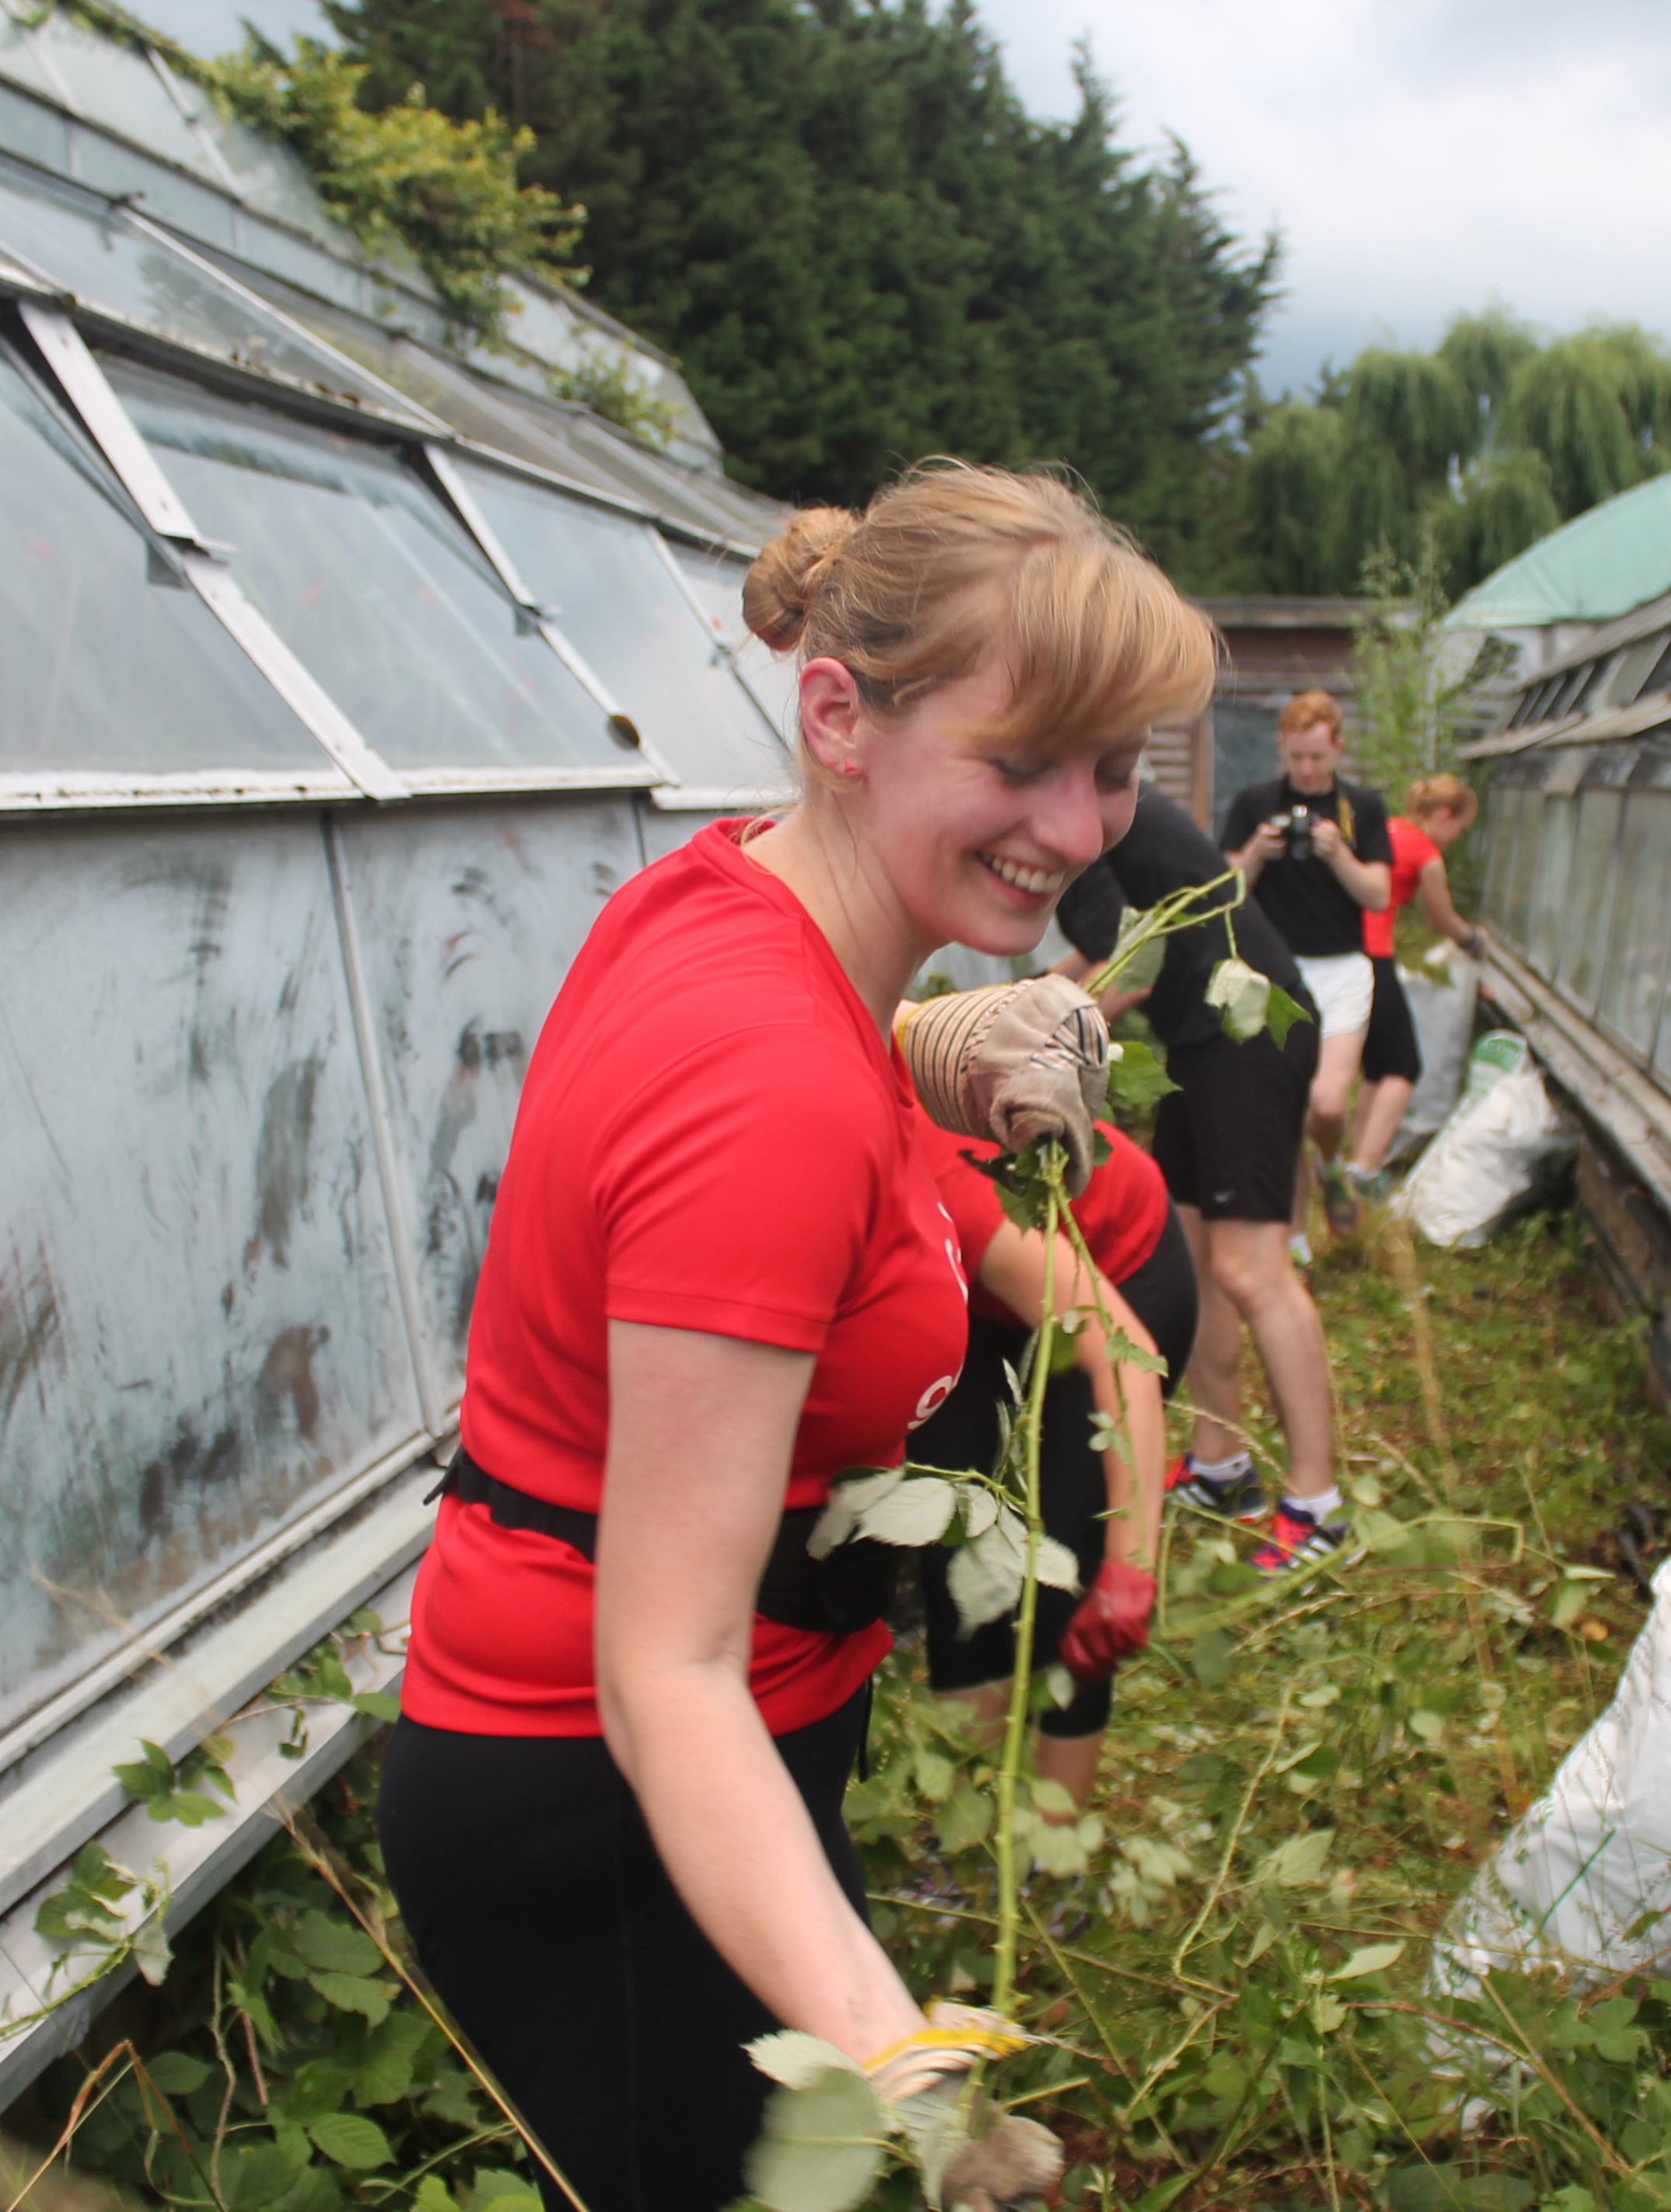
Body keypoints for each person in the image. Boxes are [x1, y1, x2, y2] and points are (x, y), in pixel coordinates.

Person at [378, 462, 1217, 2212]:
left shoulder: (737, 906)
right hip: (609, 1798)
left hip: (732, 1744)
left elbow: (853, 1122)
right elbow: (658, 1670)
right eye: (1020, 761)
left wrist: (940, 1078)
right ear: (839, 714)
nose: (1076, 825)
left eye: (1115, 769)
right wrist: (909, 2077)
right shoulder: (763, 1079)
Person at [1053, 784, 1349, 1574]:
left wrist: (1040, 1040)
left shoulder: (1078, 813)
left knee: (1253, 1269)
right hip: (1204, 1039)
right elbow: (1117, 946)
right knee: (1198, 1256)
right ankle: (1221, 1465)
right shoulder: (1098, 804)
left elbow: (1132, 971)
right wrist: (1023, 1003)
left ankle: (1318, 1504)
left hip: (1246, 1032)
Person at [905, 1117, 1192, 1817]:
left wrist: (1132, 1564)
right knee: (958, 1558)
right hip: (981, 1298)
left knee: (1069, 1581)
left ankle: (1052, 1850)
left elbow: (1120, 1353)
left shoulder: (948, 1187)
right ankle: (970, 1838)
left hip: (1115, 1281)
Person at [1217, 692, 1392, 1235]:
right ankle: (1295, 1239)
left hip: (1342, 971)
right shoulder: (1254, 803)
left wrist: (1338, 853)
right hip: (1273, 973)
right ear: (1282, 750)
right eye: (1297, 757)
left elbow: (1378, 896)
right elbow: (1227, 890)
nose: (1308, 769)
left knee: (1327, 1105)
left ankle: (1332, 1165)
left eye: (1318, 757)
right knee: (1284, 1111)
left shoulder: (1362, 808)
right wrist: (1257, 854)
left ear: (1339, 747)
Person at [1343, 773, 1487, 1187]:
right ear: (1444, 814)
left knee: (1377, 1068)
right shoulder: (1425, 853)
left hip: (1347, 951)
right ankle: (1366, 1171)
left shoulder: (1388, 830)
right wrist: (1474, 940)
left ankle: (1355, 1160)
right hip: (1376, 956)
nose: (1457, 837)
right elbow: (1443, 920)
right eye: (1460, 827)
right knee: (1404, 1067)